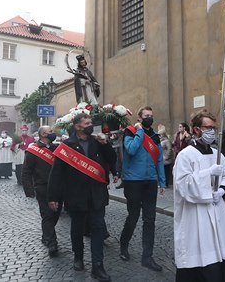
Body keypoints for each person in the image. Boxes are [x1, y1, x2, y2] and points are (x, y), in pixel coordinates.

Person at [47, 113, 117, 281]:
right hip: (76, 195)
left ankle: (98, 265)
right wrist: (53, 197)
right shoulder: (67, 145)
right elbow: (56, 174)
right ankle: (78, 257)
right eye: (87, 122)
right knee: (77, 229)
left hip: (97, 194)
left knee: (98, 228)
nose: (90, 124)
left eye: (91, 122)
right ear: (77, 126)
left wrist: (106, 143)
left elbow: (112, 160)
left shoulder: (97, 142)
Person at [173, 109, 225, 281]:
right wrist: (208, 173)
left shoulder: (218, 155)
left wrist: (223, 190)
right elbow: (183, 186)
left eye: (213, 128)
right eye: (207, 128)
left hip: (218, 214)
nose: (212, 132)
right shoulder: (185, 156)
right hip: (196, 218)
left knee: (219, 263)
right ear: (196, 130)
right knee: (200, 263)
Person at [119, 106, 166, 272]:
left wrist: (162, 181)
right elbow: (130, 150)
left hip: (150, 181)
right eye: (146, 116)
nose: (149, 118)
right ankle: (123, 244)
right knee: (133, 215)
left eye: (151, 116)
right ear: (139, 118)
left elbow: (159, 159)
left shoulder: (155, 136)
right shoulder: (130, 132)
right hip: (133, 181)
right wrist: (140, 133)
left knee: (150, 219)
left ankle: (147, 257)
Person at [22, 125, 61, 257]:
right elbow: (26, 171)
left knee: (56, 213)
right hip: (42, 187)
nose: (53, 133)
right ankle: (52, 243)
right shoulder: (33, 151)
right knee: (47, 214)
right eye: (50, 131)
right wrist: (29, 189)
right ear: (43, 134)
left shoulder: (56, 148)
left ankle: (46, 235)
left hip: (57, 187)